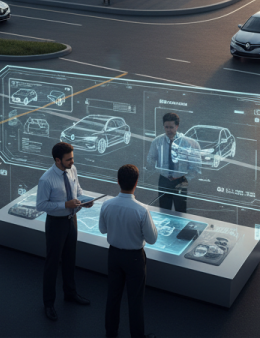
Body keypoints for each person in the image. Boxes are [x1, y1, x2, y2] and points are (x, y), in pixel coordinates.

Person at [99, 164, 158, 338]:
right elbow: (152, 239)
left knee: (113, 296)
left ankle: (111, 332)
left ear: (118, 181)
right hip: (134, 259)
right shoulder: (142, 210)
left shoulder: (107, 205)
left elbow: (102, 229)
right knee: (135, 300)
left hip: (114, 256)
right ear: (136, 182)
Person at [36, 142, 93, 321]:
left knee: (70, 259)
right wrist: (65, 204)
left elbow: (78, 190)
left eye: (72, 158)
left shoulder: (72, 169)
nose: (72, 162)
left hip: (71, 221)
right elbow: (41, 205)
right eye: (68, 159)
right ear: (57, 160)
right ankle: (48, 303)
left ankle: (70, 293)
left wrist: (84, 200)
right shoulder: (46, 179)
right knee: (52, 264)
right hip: (56, 224)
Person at [146, 112, 200, 212]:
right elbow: (150, 159)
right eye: (166, 127)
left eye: (171, 127)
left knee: (181, 210)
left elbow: (195, 165)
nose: (168, 130)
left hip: (181, 180)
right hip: (164, 179)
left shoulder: (187, 143)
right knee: (163, 210)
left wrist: (185, 177)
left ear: (177, 126)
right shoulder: (157, 141)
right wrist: (158, 169)